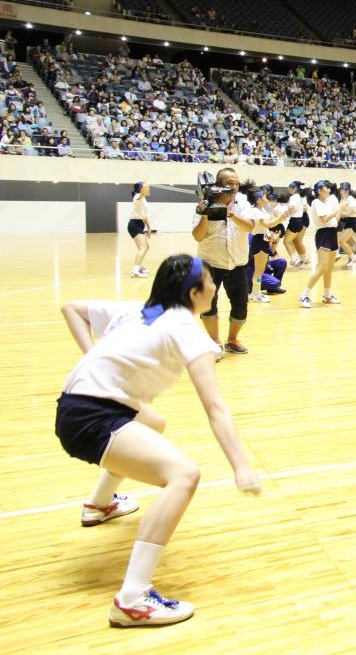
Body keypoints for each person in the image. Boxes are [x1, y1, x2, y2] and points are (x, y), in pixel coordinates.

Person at [56, 254, 261, 626]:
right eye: (211, 282)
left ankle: (100, 504)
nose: (215, 288)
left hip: (76, 407)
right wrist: (241, 466)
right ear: (195, 291)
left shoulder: (139, 310)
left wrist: (93, 359)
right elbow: (215, 407)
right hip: (92, 419)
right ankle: (133, 599)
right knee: (184, 475)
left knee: (154, 422)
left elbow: (71, 308)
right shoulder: (185, 329)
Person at [191, 168, 255, 354]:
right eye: (229, 183)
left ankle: (232, 340)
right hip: (210, 262)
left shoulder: (242, 202)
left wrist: (231, 214)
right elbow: (198, 236)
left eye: (236, 183)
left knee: (241, 304)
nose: (234, 187)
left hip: (238, 262)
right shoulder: (204, 203)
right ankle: (214, 342)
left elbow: (249, 227)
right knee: (208, 303)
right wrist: (204, 214)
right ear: (218, 185)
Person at [299, 180, 343, 308]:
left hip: (332, 233)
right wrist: (337, 209)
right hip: (323, 235)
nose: (329, 190)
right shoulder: (316, 202)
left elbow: (335, 220)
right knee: (322, 267)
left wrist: (341, 208)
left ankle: (327, 295)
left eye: (329, 188)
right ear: (319, 191)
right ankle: (304, 295)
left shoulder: (328, 202)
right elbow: (324, 219)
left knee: (329, 268)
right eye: (326, 188)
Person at [128, 182, 152, 278]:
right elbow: (137, 200)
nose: (149, 188)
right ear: (141, 189)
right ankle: (135, 271)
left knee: (146, 247)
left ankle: (139, 267)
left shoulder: (144, 199)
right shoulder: (137, 196)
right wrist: (141, 193)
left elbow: (144, 216)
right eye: (147, 187)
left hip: (139, 224)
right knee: (143, 248)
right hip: (134, 224)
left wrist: (149, 227)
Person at [284, 181, 310, 267]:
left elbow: (293, 208)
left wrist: (286, 214)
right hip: (299, 221)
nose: (289, 189)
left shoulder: (294, 197)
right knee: (294, 240)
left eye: (290, 188)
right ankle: (301, 258)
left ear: (295, 189)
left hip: (295, 221)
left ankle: (296, 259)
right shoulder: (299, 197)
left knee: (286, 241)